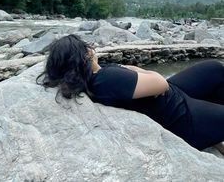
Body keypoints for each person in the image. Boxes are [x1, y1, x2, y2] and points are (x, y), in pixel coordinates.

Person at [36, 34, 224, 155]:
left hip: (170, 98)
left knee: (213, 69)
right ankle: (210, 130)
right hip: (182, 116)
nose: (92, 49)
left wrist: (129, 71)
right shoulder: (107, 78)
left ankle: (214, 126)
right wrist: (136, 72)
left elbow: (137, 77)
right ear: (85, 55)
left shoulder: (95, 77)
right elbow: (160, 83)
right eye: (88, 47)